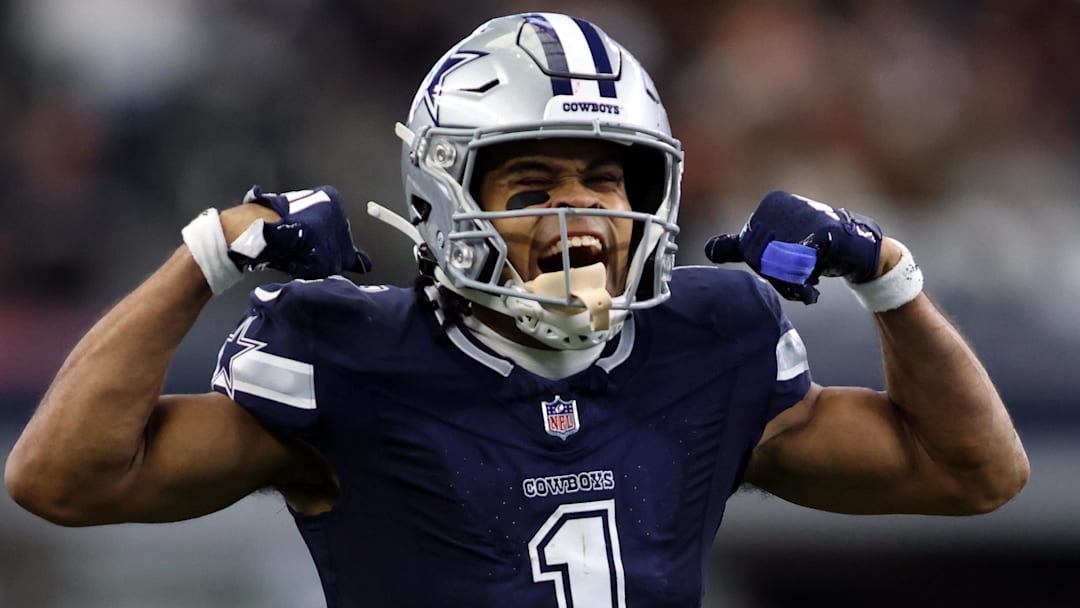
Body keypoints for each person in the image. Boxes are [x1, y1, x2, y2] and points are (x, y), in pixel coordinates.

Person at [5, 12, 1028, 608]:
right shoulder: (349, 357)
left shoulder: (713, 341)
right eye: (533, 178)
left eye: (604, 177)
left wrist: (890, 278)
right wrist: (203, 255)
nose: (578, 208)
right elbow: (63, 478)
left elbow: (973, 471)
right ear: (446, 199)